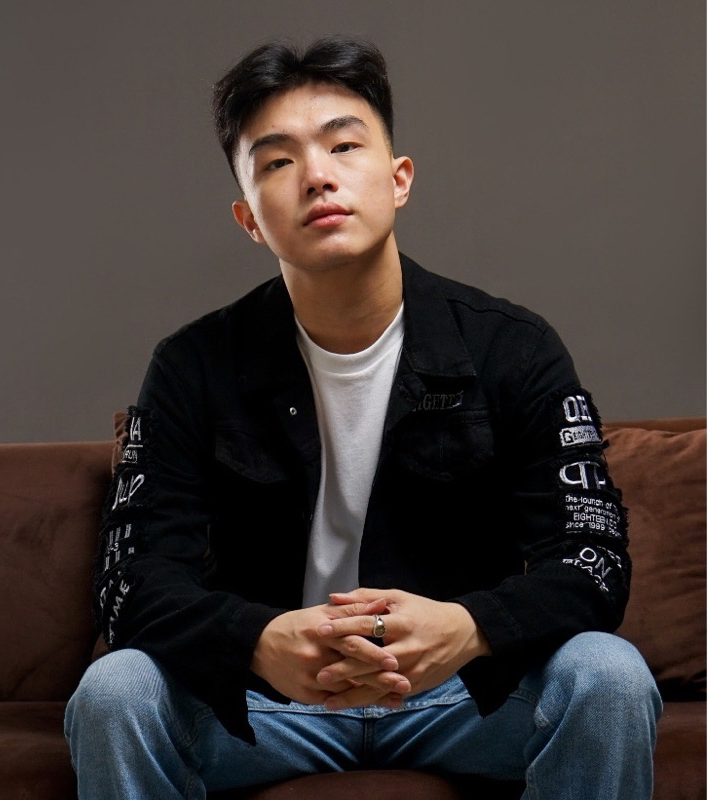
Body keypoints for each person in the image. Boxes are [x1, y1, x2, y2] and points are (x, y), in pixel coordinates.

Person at [65, 35, 661, 799]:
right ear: (249, 219)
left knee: (608, 674)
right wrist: (258, 640)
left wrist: (470, 628)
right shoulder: (193, 365)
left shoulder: (512, 347)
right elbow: (131, 582)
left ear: (398, 178)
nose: (317, 175)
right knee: (115, 690)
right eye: (278, 162)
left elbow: (593, 560)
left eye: (344, 146)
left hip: (463, 696)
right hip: (264, 706)